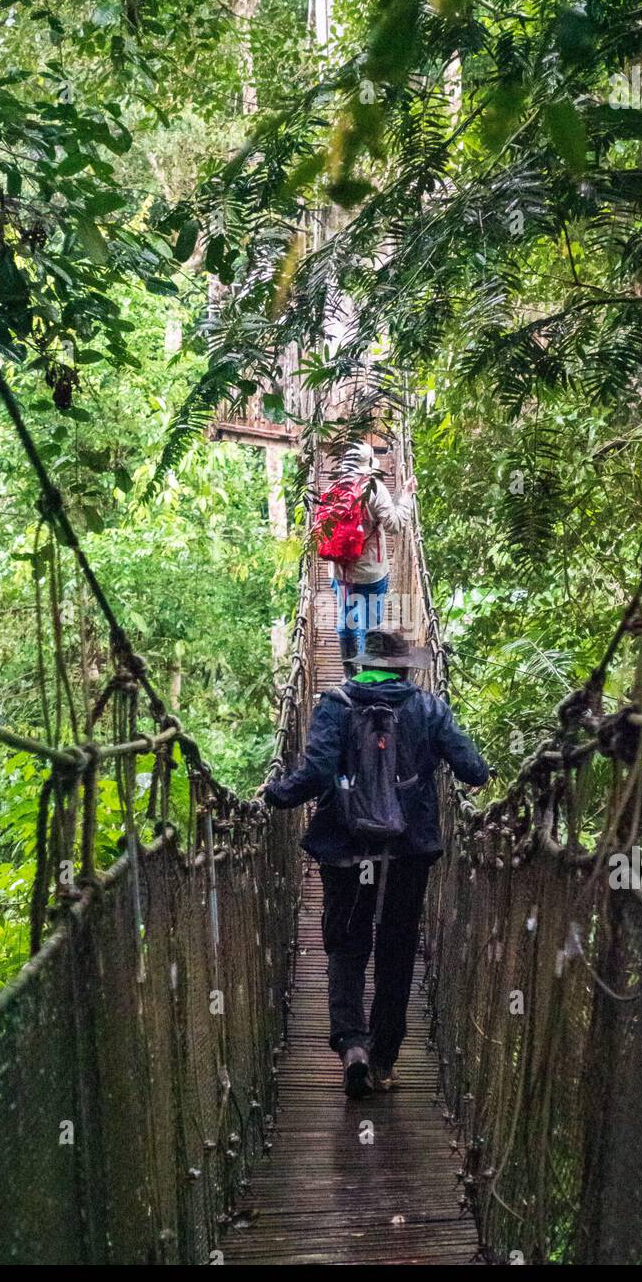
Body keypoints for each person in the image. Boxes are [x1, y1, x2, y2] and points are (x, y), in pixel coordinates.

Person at [263, 626, 490, 1099]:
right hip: (407, 852)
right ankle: (384, 1060)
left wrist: (277, 794)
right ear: (405, 669)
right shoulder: (429, 708)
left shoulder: (335, 704)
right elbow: (473, 771)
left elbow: (316, 772)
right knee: (396, 950)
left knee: (346, 946)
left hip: (345, 850)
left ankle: (352, 1048)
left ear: (361, 665)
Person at [326, 442, 416, 678]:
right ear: (368, 465)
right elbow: (394, 525)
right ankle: (367, 678)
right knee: (370, 626)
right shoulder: (374, 488)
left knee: (345, 619)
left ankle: (349, 675)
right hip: (370, 572)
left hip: (340, 571)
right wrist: (406, 497)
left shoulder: (334, 487)